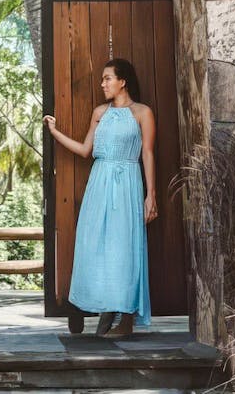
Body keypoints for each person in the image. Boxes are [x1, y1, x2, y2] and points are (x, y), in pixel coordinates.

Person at [45, 58, 156, 337]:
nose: (103, 83)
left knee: (125, 248)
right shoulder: (99, 112)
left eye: (108, 78)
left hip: (128, 183)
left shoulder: (142, 112)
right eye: (103, 79)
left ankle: (126, 319)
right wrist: (55, 132)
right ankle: (90, 305)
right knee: (93, 245)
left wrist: (150, 195)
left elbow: (147, 154)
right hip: (99, 183)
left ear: (123, 81)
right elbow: (85, 150)